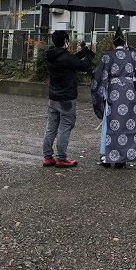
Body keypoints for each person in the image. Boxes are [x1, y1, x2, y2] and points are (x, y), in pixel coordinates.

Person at [91, 26, 136, 169]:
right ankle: (122, 158)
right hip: (129, 92)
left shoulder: (108, 55)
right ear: (125, 43)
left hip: (113, 91)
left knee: (109, 123)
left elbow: (97, 74)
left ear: (113, 43)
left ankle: (106, 156)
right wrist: (128, 47)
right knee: (127, 123)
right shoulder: (132, 55)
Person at [42, 30, 94, 168]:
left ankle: (47, 157)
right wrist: (89, 55)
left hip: (53, 97)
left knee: (51, 127)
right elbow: (83, 66)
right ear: (65, 41)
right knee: (65, 127)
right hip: (66, 99)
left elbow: (72, 59)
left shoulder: (52, 54)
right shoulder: (65, 57)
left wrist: (83, 51)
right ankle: (61, 158)